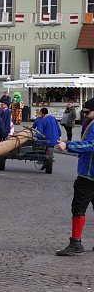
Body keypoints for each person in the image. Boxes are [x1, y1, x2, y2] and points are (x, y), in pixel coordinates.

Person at [55, 99, 94, 255]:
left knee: (78, 208)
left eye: (87, 112)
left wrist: (68, 145)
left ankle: (75, 243)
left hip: (89, 175)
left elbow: (91, 145)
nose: (84, 115)